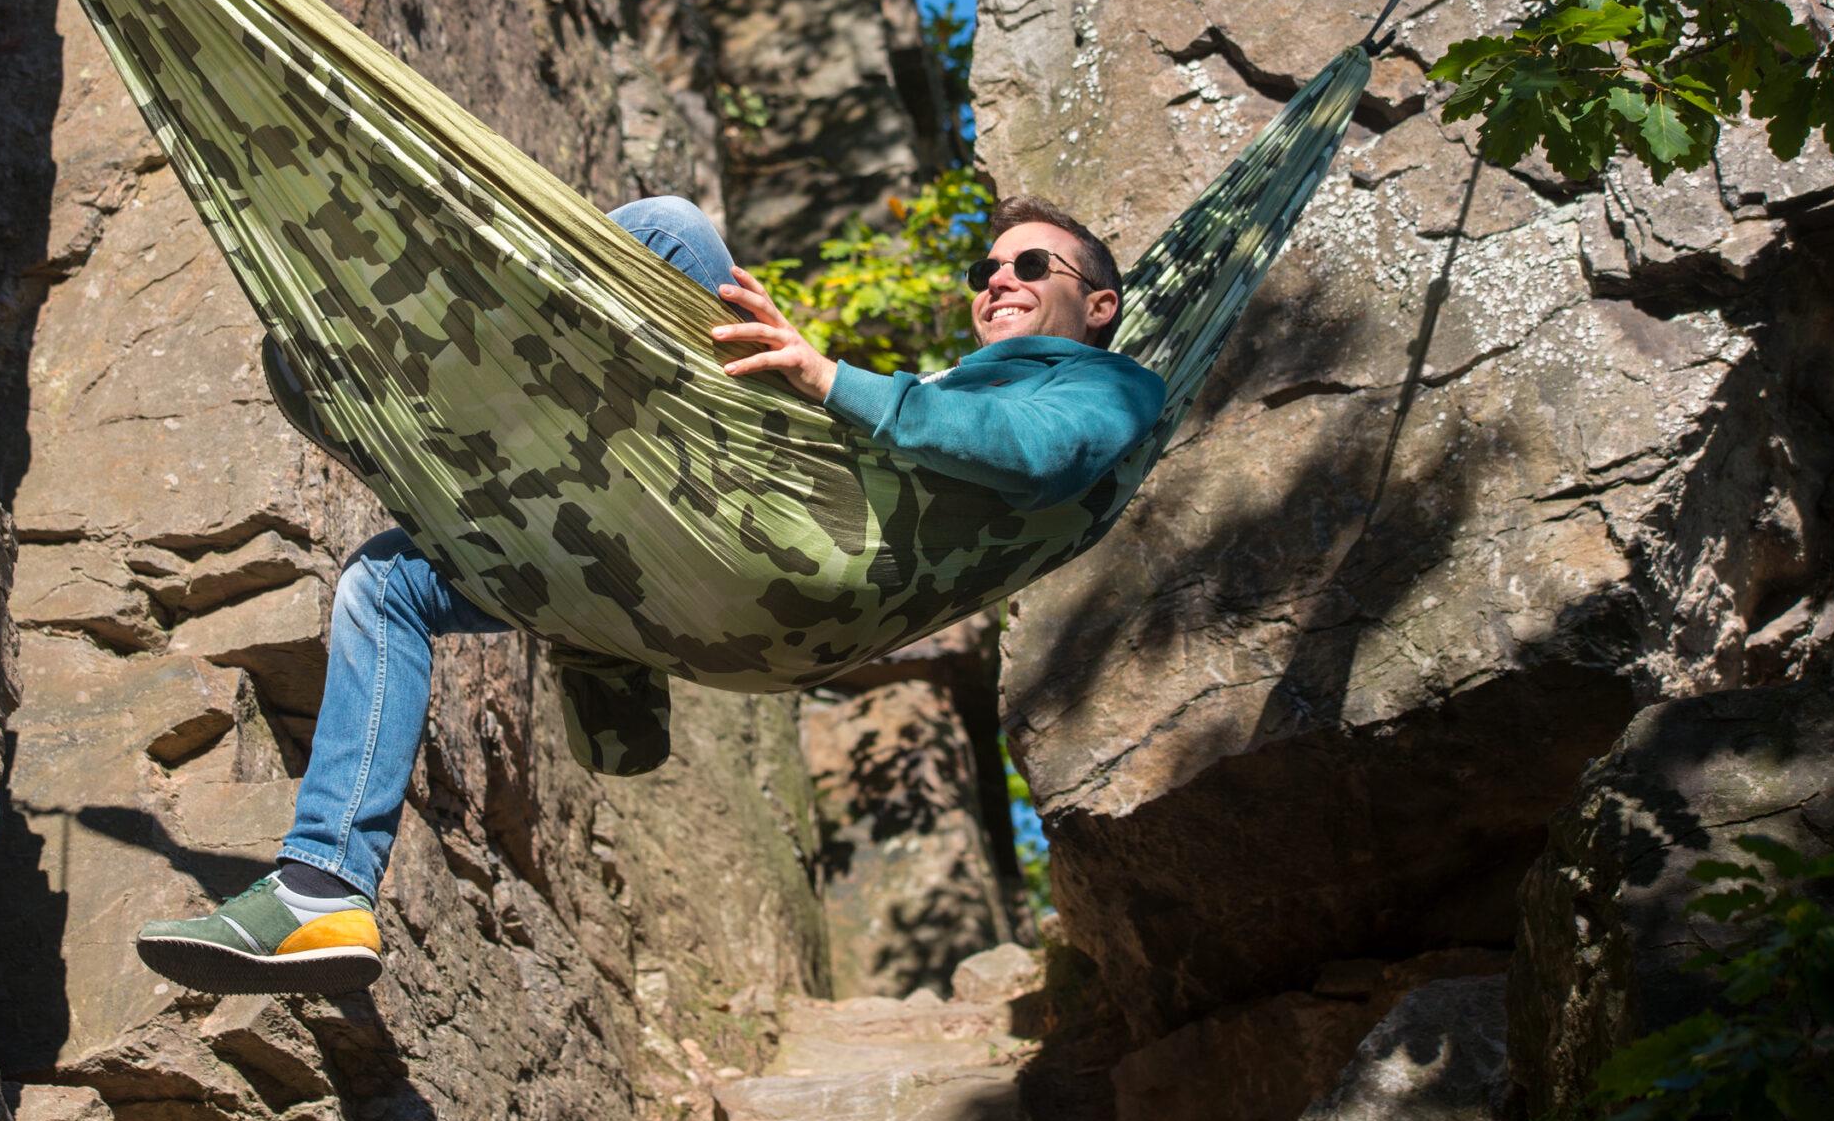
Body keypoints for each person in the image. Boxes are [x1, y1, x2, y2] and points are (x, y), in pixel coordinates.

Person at [133, 193, 1166, 996]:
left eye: (1031, 264)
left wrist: (825, 378)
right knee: (387, 582)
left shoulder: (1106, 386)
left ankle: (591, 630)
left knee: (667, 232)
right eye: (986, 268)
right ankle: (324, 885)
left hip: (785, 538)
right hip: (733, 551)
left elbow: (1037, 454)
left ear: (1101, 304)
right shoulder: (952, 383)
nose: (997, 280)